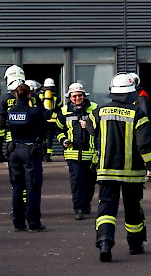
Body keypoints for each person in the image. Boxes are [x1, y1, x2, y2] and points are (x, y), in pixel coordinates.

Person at [87, 72, 151, 262]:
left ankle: (104, 242)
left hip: (106, 170)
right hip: (132, 173)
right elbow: (145, 144)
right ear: (130, 93)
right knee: (133, 208)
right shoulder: (138, 114)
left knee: (106, 208)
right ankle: (135, 245)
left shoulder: (99, 112)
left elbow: (91, 129)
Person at [0, 83, 47, 232]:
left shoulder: (11, 111)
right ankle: (33, 222)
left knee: (17, 187)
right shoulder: (34, 112)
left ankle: (18, 223)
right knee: (33, 186)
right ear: (29, 95)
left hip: (14, 151)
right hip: (29, 152)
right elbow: (44, 129)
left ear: (15, 95)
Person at [55, 82, 98, 220]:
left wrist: (89, 125)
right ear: (69, 97)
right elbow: (58, 130)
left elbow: (101, 127)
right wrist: (63, 141)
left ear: (84, 96)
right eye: (74, 96)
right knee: (77, 182)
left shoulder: (94, 108)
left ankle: (86, 205)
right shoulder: (63, 111)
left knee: (90, 183)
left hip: (91, 155)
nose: (77, 99)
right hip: (73, 154)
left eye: (79, 96)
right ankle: (78, 208)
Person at [0, 65, 26, 164]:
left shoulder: (4, 99)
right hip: (29, 139)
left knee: (15, 167)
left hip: (12, 138)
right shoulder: (32, 97)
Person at [39, 78, 63, 163]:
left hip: (42, 121)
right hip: (52, 121)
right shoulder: (57, 97)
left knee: (41, 138)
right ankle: (47, 156)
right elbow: (59, 109)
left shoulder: (39, 96)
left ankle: (41, 154)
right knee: (50, 139)